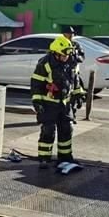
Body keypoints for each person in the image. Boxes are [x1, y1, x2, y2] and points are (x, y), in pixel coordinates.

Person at [31, 37, 78, 171]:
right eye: (64, 54)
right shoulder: (45, 64)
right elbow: (36, 84)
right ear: (56, 53)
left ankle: (65, 157)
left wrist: (78, 94)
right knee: (48, 130)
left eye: (68, 54)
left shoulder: (70, 62)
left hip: (65, 104)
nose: (66, 57)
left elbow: (75, 80)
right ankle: (44, 158)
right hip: (48, 104)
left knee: (66, 130)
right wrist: (37, 102)